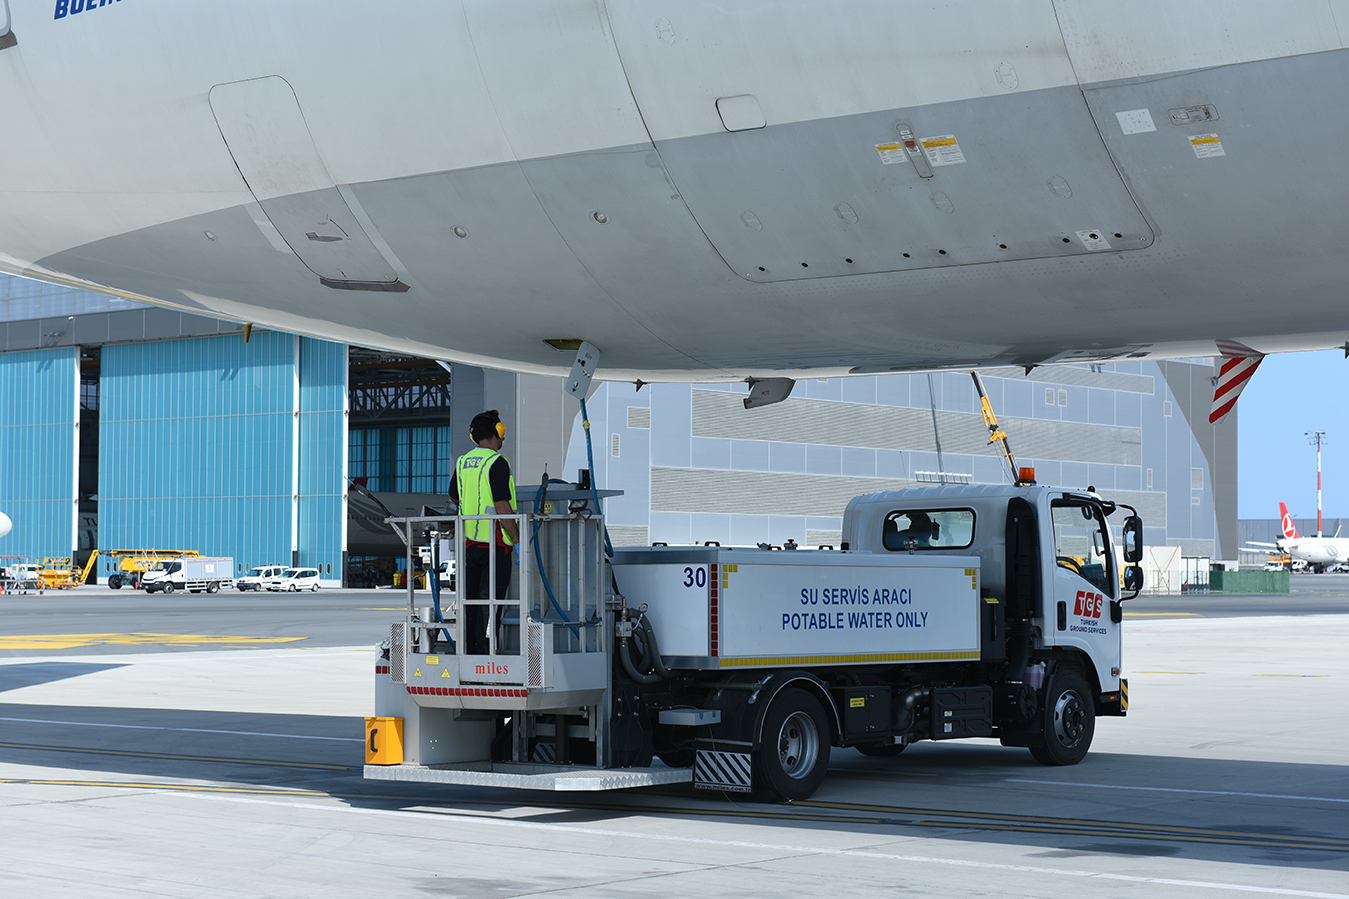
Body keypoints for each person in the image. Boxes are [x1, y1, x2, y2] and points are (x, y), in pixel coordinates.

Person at [450, 410, 520, 654]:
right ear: (497, 431)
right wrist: (518, 539)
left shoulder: (462, 462)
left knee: (471, 602)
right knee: (491, 603)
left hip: (470, 545)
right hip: (496, 544)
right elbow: (503, 506)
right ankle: (487, 654)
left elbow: (453, 495)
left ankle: (468, 651)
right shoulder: (496, 462)